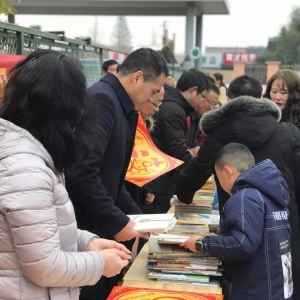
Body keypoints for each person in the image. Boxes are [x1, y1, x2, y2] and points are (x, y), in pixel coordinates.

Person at [0, 50, 131, 300]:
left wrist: (87, 242)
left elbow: (37, 231)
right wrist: (100, 264)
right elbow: (44, 267)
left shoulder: (28, 155)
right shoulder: (25, 170)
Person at [175, 75, 300, 300]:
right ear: (262, 97)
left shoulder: (216, 137)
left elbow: (186, 186)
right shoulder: (288, 134)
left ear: (230, 99)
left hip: (239, 239)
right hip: (284, 233)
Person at [65, 48, 168, 300]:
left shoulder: (121, 106)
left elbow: (114, 178)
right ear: (137, 77)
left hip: (99, 228)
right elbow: (82, 173)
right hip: (85, 231)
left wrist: (141, 220)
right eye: (154, 92)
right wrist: (117, 222)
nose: (155, 100)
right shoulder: (103, 100)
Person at [181, 143, 292, 300]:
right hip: (275, 288)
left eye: (218, 178)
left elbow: (243, 245)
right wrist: (219, 238)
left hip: (253, 291)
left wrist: (202, 243)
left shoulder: (243, 198)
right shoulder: (270, 194)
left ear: (227, 171)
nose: (220, 184)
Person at [142, 69, 208, 214]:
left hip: (159, 174)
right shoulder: (174, 109)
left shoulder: (176, 105)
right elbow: (177, 148)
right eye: (202, 97)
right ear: (193, 90)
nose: (202, 101)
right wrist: (198, 170)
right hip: (158, 177)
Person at [191, 81, 220, 147]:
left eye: (215, 104)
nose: (212, 107)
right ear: (201, 96)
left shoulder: (203, 119)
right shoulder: (185, 115)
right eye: (211, 102)